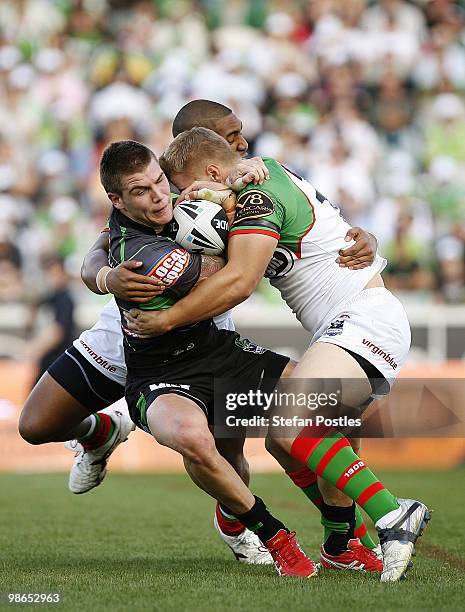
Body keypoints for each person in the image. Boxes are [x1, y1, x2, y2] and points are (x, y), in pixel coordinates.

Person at [19, 100, 378, 568]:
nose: (241, 145)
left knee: (259, 436)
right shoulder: (167, 189)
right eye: (229, 138)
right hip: (128, 334)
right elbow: (102, 248)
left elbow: (306, 225)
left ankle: (261, 526)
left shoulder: (235, 184)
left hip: (201, 330)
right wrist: (104, 277)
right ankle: (103, 430)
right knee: (36, 425)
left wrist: (358, 235)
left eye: (238, 136)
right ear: (194, 146)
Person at [125, 126, 431, 582]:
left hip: (364, 318)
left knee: (291, 423)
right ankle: (339, 542)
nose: (184, 196)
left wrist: (167, 320)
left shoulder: (256, 194)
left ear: (210, 169)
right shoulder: (255, 181)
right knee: (288, 439)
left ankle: (390, 514)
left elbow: (241, 282)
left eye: (186, 184)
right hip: (350, 319)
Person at [103, 138, 319, 577]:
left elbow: (224, 183)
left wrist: (238, 176)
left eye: (161, 181)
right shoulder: (134, 250)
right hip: (161, 371)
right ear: (117, 200)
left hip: (215, 349)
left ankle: (344, 531)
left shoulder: (176, 202)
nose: (160, 196)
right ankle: (275, 535)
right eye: (141, 192)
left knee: (321, 401)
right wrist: (232, 210)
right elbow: (224, 278)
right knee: (193, 440)